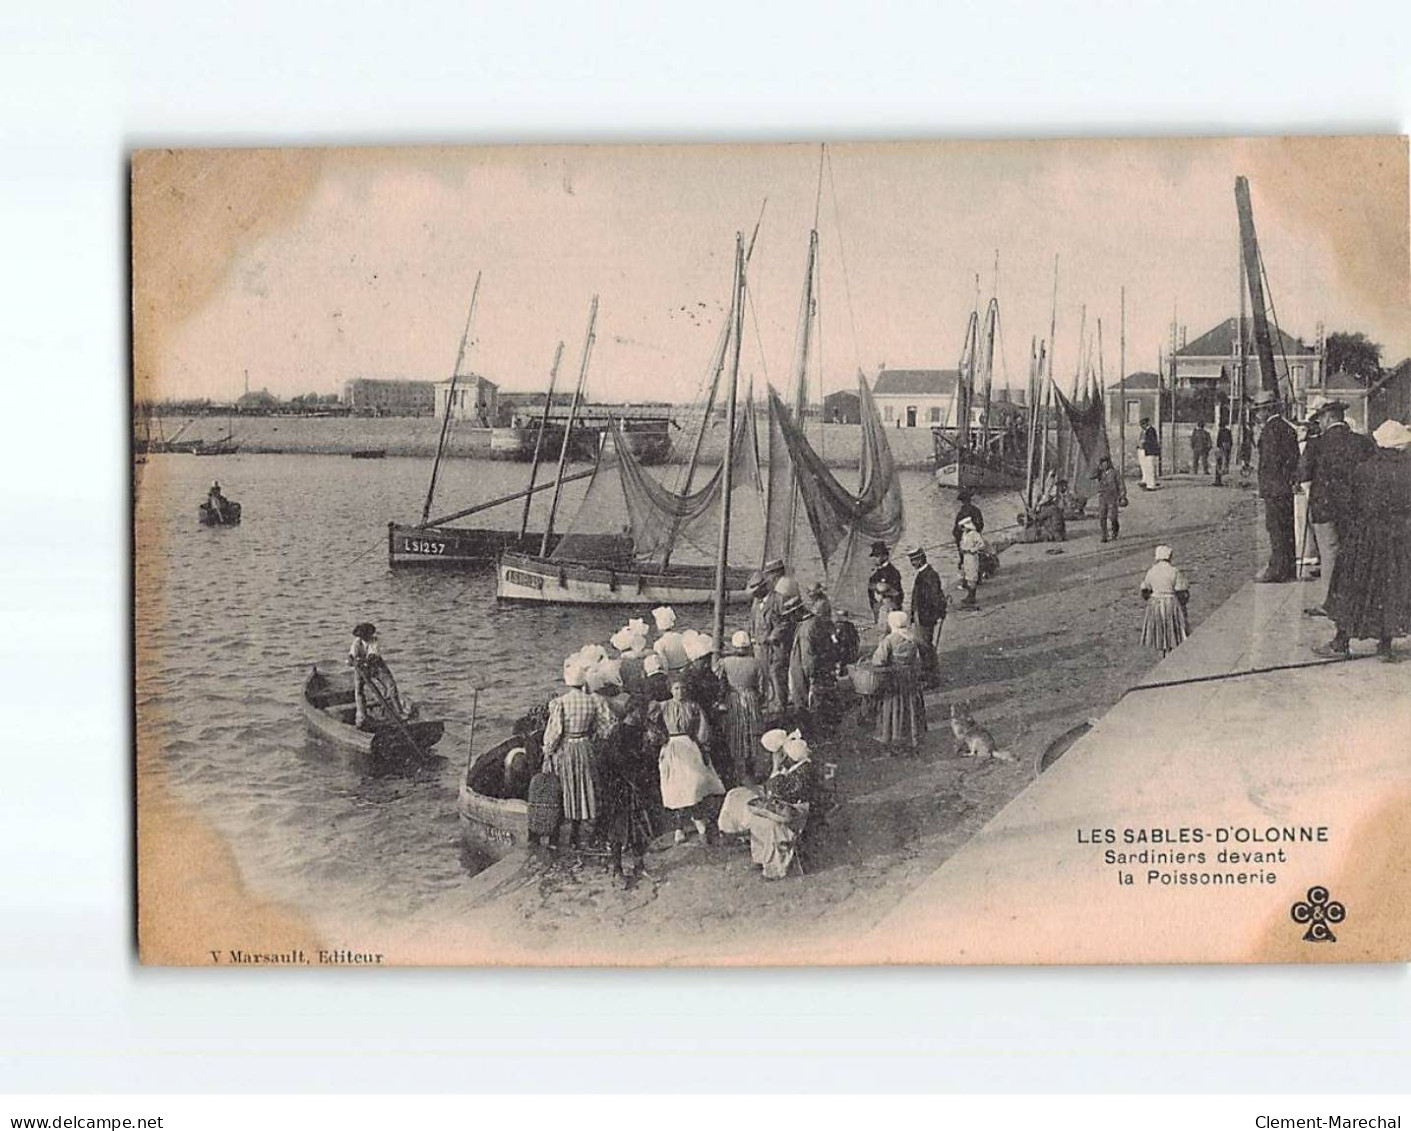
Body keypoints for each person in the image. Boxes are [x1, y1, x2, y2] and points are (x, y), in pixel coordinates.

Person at [1314, 419, 1411, 663]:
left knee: (1353, 586)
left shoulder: (1365, 469)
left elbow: (1352, 504)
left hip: (1365, 537)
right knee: (1391, 588)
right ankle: (1385, 644)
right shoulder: (1408, 470)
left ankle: (1341, 641)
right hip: (1399, 538)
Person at [1299, 399, 1377, 619]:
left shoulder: (1316, 444)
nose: (1319, 424)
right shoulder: (1362, 442)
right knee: (1353, 553)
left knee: (1330, 555)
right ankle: (1356, 601)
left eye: (1320, 419)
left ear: (1328, 417)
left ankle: (1329, 603)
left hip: (1324, 509)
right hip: (1354, 508)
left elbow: (1303, 473)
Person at [541, 656, 617, 849]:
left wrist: (548, 750)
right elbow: (606, 727)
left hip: (567, 748)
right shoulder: (592, 701)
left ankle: (572, 835)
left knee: (569, 787)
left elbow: (555, 731)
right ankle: (588, 833)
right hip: (585, 746)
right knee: (587, 786)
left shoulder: (561, 702)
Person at [652, 677, 726, 844]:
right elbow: (650, 722)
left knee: (693, 784)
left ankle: (697, 817)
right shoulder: (663, 706)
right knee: (676, 787)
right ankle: (679, 827)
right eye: (676, 688)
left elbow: (703, 728)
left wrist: (704, 748)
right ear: (671, 690)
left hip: (689, 746)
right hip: (671, 747)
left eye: (683, 688)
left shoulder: (693, 706)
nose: (680, 692)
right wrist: (659, 736)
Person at [1252, 389, 1301, 582]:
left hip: (1274, 488)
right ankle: (1288, 569)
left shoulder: (1270, 430)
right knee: (1287, 530)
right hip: (1285, 488)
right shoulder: (1287, 427)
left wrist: (1264, 487)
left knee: (1276, 530)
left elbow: (1270, 463)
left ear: (1266, 410)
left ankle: (1277, 571)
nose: (1257, 415)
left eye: (1258, 410)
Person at [871, 610, 927, 752]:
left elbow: (879, 660)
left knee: (894, 706)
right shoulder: (913, 638)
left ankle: (894, 737)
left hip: (895, 677)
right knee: (911, 706)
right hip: (911, 677)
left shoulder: (890, 640)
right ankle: (913, 736)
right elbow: (920, 658)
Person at [716, 630, 765, 785]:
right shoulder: (756, 663)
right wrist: (758, 699)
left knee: (734, 733)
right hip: (751, 698)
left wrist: (722, 698)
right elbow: (763, 688)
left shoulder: (724, 662)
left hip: (733, 698)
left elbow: (718, 682)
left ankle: (735, 772)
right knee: (751, 734)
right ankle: (750, 770)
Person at [346, 622, 413, 728]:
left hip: (376, 666)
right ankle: (361, 717)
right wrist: (353, 661)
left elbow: (373, 657)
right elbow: (351, 657)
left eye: (366, 634)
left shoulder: (375, 641)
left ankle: (399, 712)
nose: (364, 636)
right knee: (358, 691)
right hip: (360, 668)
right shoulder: (357, 643)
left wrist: (361, 662)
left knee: (391, 686)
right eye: (362, 635)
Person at [788, 591, 835, 721]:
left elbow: (807, 654)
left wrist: (810, 674)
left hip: (803, 670)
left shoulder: (806, 628)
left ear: (797, 612)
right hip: (810, 668)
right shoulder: (813, 621)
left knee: (803, 703)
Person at [1139, 545, 1190, 657]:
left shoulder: (1151, 571)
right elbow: (1180, 589)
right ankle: (1170, 648)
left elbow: (1145, 588)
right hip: (1170, 601)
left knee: (1159, 627)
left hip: (1156, 602)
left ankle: (1162, 649)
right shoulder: (1174, 571)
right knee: (1172, 626)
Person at [907, 547, 946, 672]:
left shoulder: (930, 575)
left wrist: (936, 614)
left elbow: (935, 597)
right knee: (922, 645)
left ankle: (930, 673)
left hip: (926, 617)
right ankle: (927, 670)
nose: (912, 564)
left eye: (914, 561)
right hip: (921, 616)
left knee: (925, 645)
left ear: (920, 559)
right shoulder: (923, 574)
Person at [866, 541, 903, 629]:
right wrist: (875, 609)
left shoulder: (892, 572)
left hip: (890, 611)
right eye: (874, 556)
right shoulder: (876, 574)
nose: (875, 559)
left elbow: (897, 593)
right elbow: (870, 590)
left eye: (877, 556)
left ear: (885, 556)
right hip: (880, 611)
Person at [1091, 455, 1125, 543]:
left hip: (1112, 497)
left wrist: (1122, 495)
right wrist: (1097, 470)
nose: (1104, 465)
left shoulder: (1114, 473)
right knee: (1102, 516)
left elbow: (1121, 484)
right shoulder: (1099, 474)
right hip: (1102, 496)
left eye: (1105, 463)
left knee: (1112, 516)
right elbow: (1091, 476)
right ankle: (1104, 535)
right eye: (1102, 464)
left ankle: (1115, 529)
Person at [956, 516, 986, 609]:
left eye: (963, 526)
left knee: (972, 575)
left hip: (972, 556)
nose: (962, 529)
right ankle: (969, 594)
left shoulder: (974, 534)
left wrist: (973, 549)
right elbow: (962, 543)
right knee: (967, 574)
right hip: (966, 557)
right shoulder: (964, 534)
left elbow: (982, 544)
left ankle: (972, 596)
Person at [952, 489, 985, 556]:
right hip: (975, 539)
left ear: (963, 501)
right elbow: (981, 525)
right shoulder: (976, 510)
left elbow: (956, 530)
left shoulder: (961, 513)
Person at [1137, 417, 1161, 490]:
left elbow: (1152, 441)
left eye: (1143, 424)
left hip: (1150, 451)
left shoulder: (1151, 430)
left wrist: (1144, 443)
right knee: (1147, 468)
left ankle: (1151, 485)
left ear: (1146, 423)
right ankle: (1147, 482)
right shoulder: (1146, 431)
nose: (1142, 426)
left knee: (1150, 468)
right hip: (1147, 451)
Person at [1214, 420, 1234, 486]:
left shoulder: (1220, 431)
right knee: (1226, 459)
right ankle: (1225, 469)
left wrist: (1218, 446)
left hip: (1222, 447)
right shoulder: (1228, 431)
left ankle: (1220, 473)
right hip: (1227, 447)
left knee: (1219, 461)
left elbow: (1218, 440)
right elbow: (1231, 440)